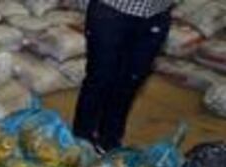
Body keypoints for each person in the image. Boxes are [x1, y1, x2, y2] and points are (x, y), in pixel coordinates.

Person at [73, 0, 173, 152]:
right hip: (112, 10)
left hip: (156, 14)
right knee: (100, 78)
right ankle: (82, 137)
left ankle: (109, 140)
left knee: (130, 82)